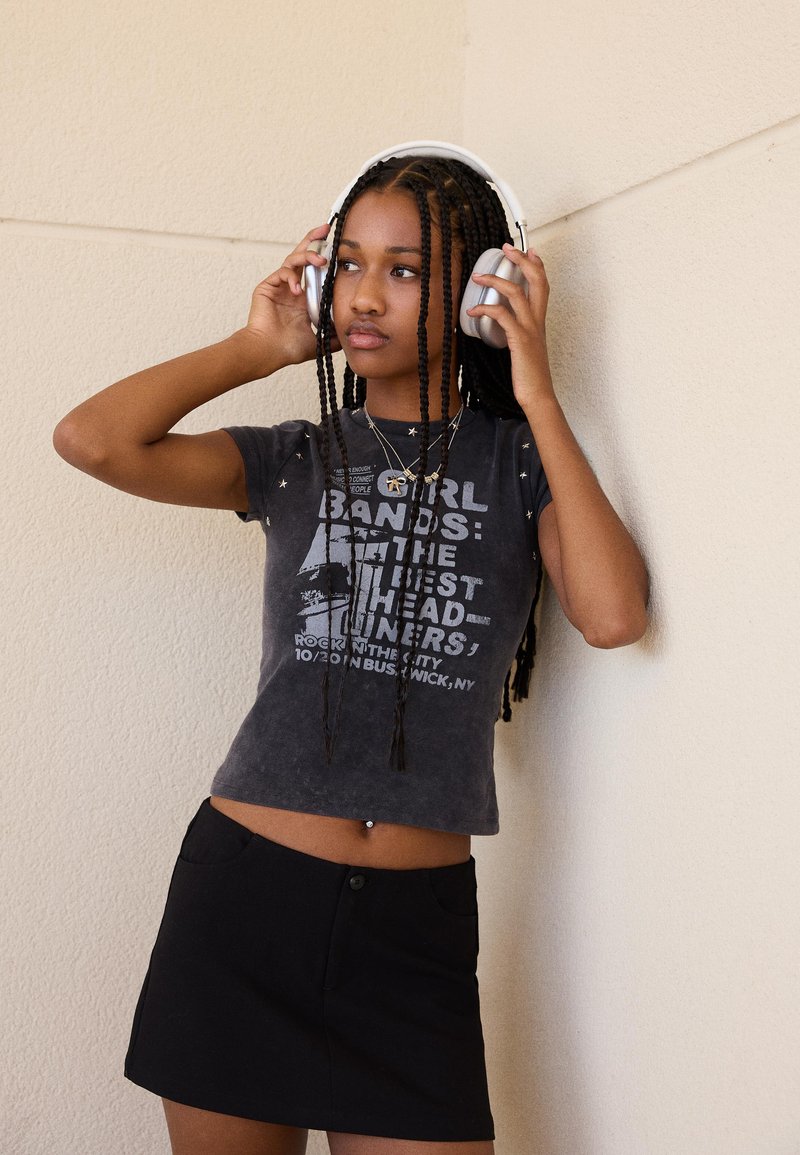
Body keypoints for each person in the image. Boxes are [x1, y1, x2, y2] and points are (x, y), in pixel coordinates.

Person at [53, 143, 649, 1155]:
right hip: (243, 902)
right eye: (351, 262)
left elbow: (610, 614)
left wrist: (536, 389)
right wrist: (256, 349)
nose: (365, 295)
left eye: (406, 269)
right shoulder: (294, 457)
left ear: (479, 294)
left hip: (412, 932)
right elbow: (93, 440)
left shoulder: (517, 464)